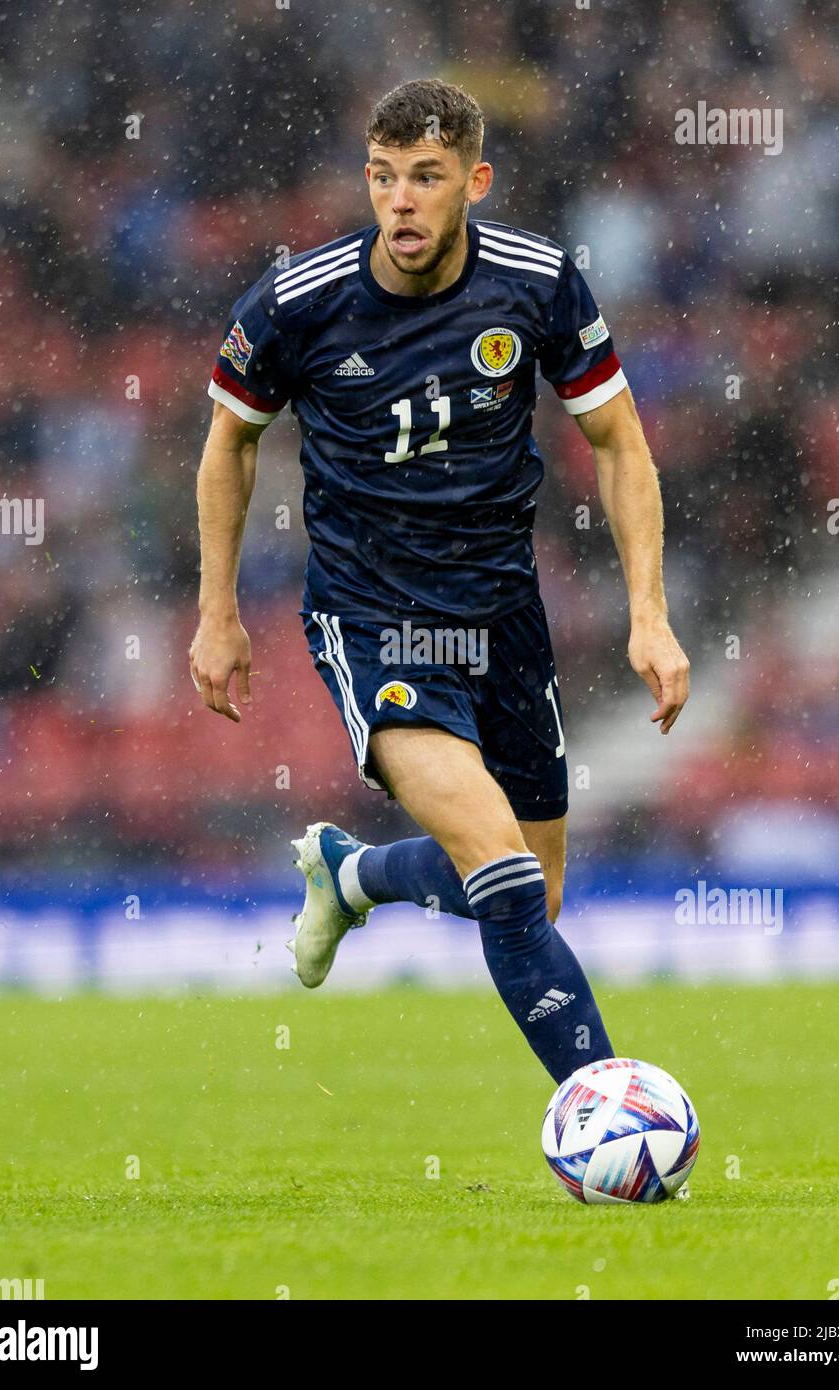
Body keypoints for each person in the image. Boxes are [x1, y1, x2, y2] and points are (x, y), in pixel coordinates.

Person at [190, 78, 689, 1083]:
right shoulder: (298, 302)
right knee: (501, 877)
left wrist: (649, 614)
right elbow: (228, 445)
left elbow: (618, 442)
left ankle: (354, 873)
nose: (400, 200)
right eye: (382, 177)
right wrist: (217, 613)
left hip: (504, 619)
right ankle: (603, 1105)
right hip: (373, 619)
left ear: (474, 180)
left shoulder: (537, 284)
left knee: (530, 893)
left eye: (425, 177)